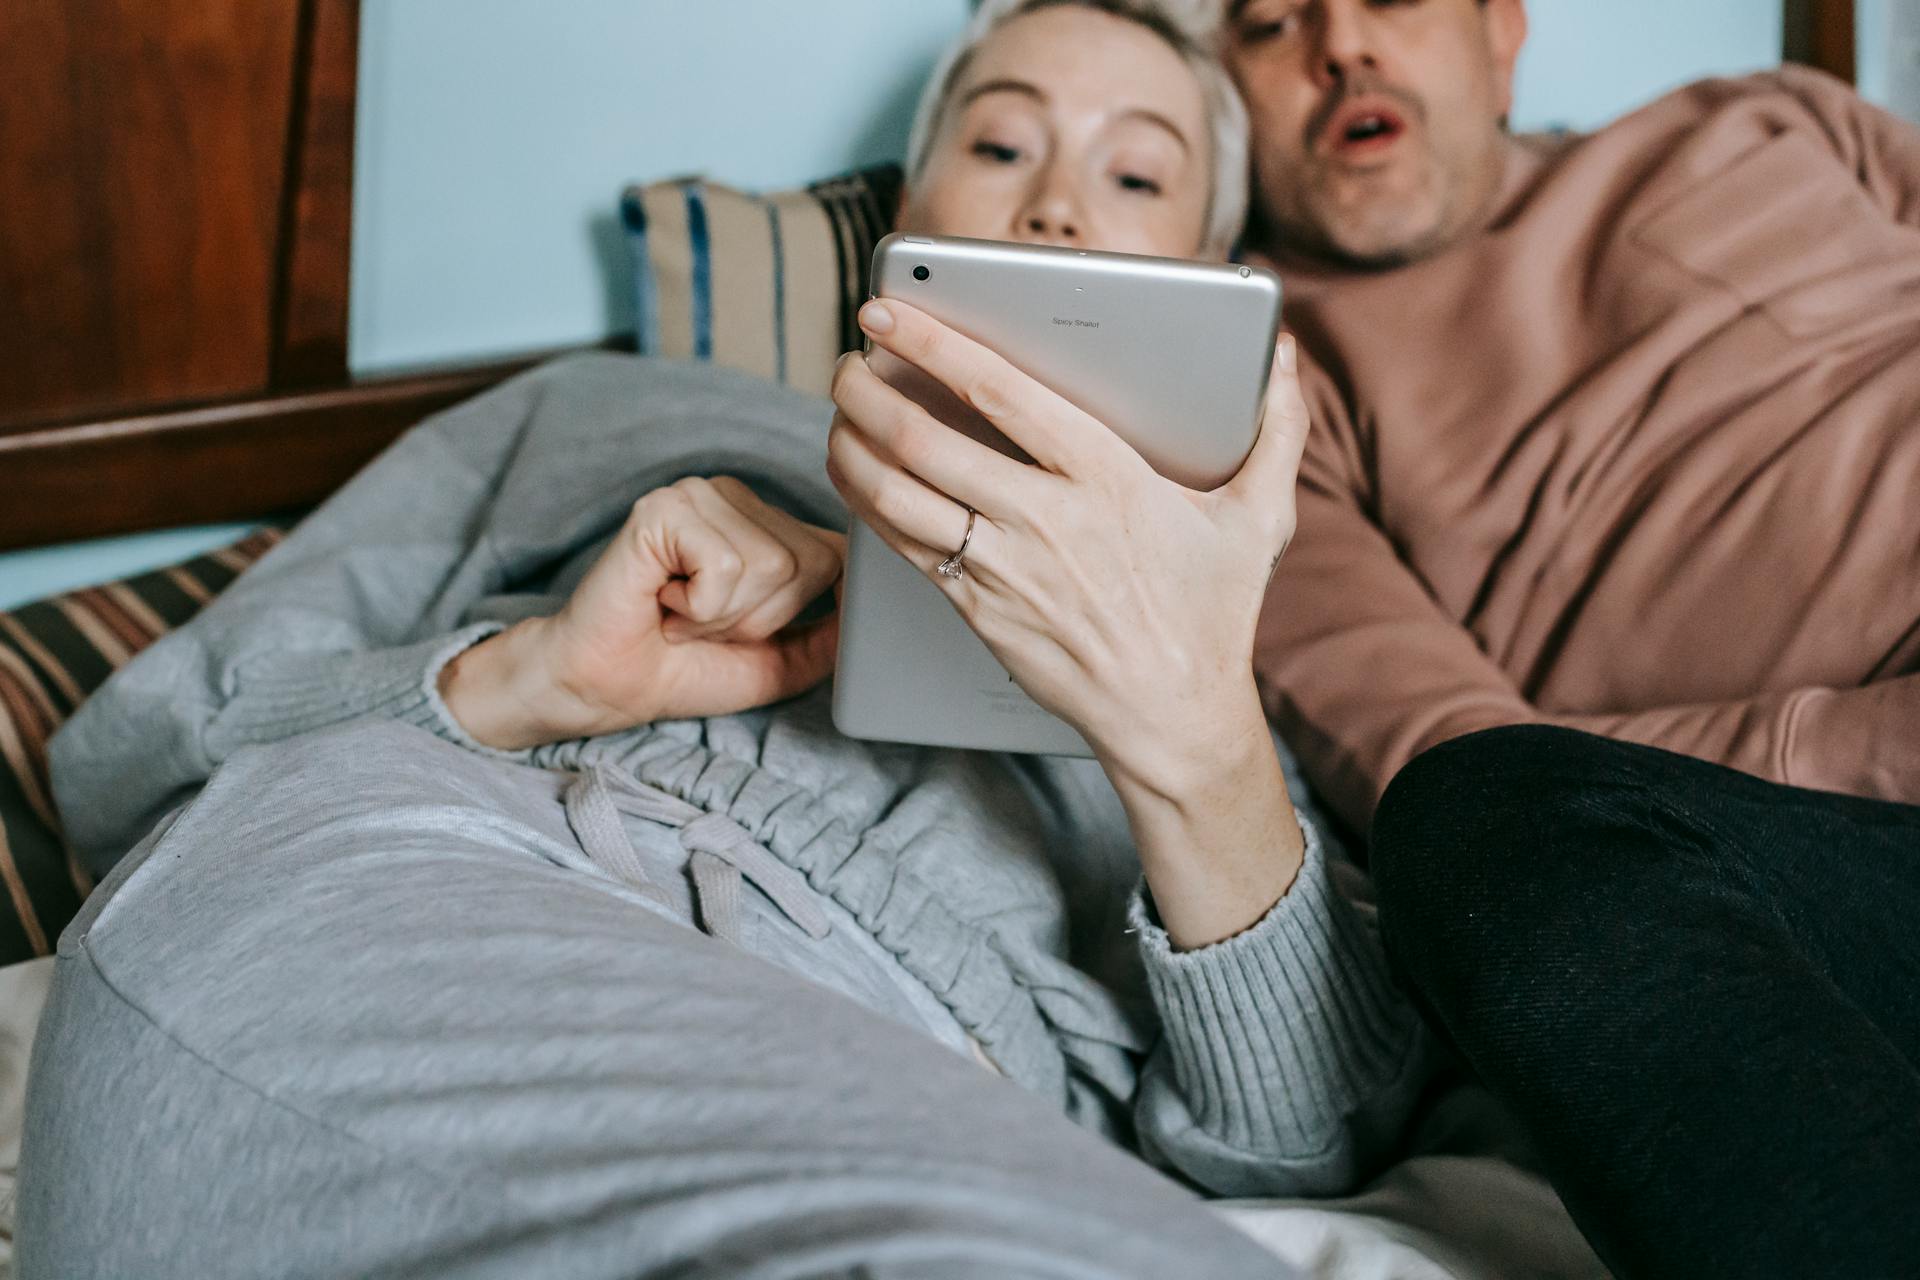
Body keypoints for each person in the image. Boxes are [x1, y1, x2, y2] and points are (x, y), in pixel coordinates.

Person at [16, 3, 1432, 1276]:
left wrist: (1188, 739)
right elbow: (127, 755)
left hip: (901, 1059)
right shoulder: (608, 404)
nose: (1057, 208)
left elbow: (1303, 1144)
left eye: (1135, 175)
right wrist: (527, 681)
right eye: (1002, 146)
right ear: (911, 203)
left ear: (1208, 271)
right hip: (420, 864)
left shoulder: (1206, 637)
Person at [1211, 0, 1920, 1275]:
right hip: (1848, 852)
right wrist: (1873, 743)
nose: (1342, 44)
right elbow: (1452, 754)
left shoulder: (1773, 117)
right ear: (1224, 96)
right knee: (1478, 823)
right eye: (1271, 23)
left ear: (1501, 30)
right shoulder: (1264, 385)